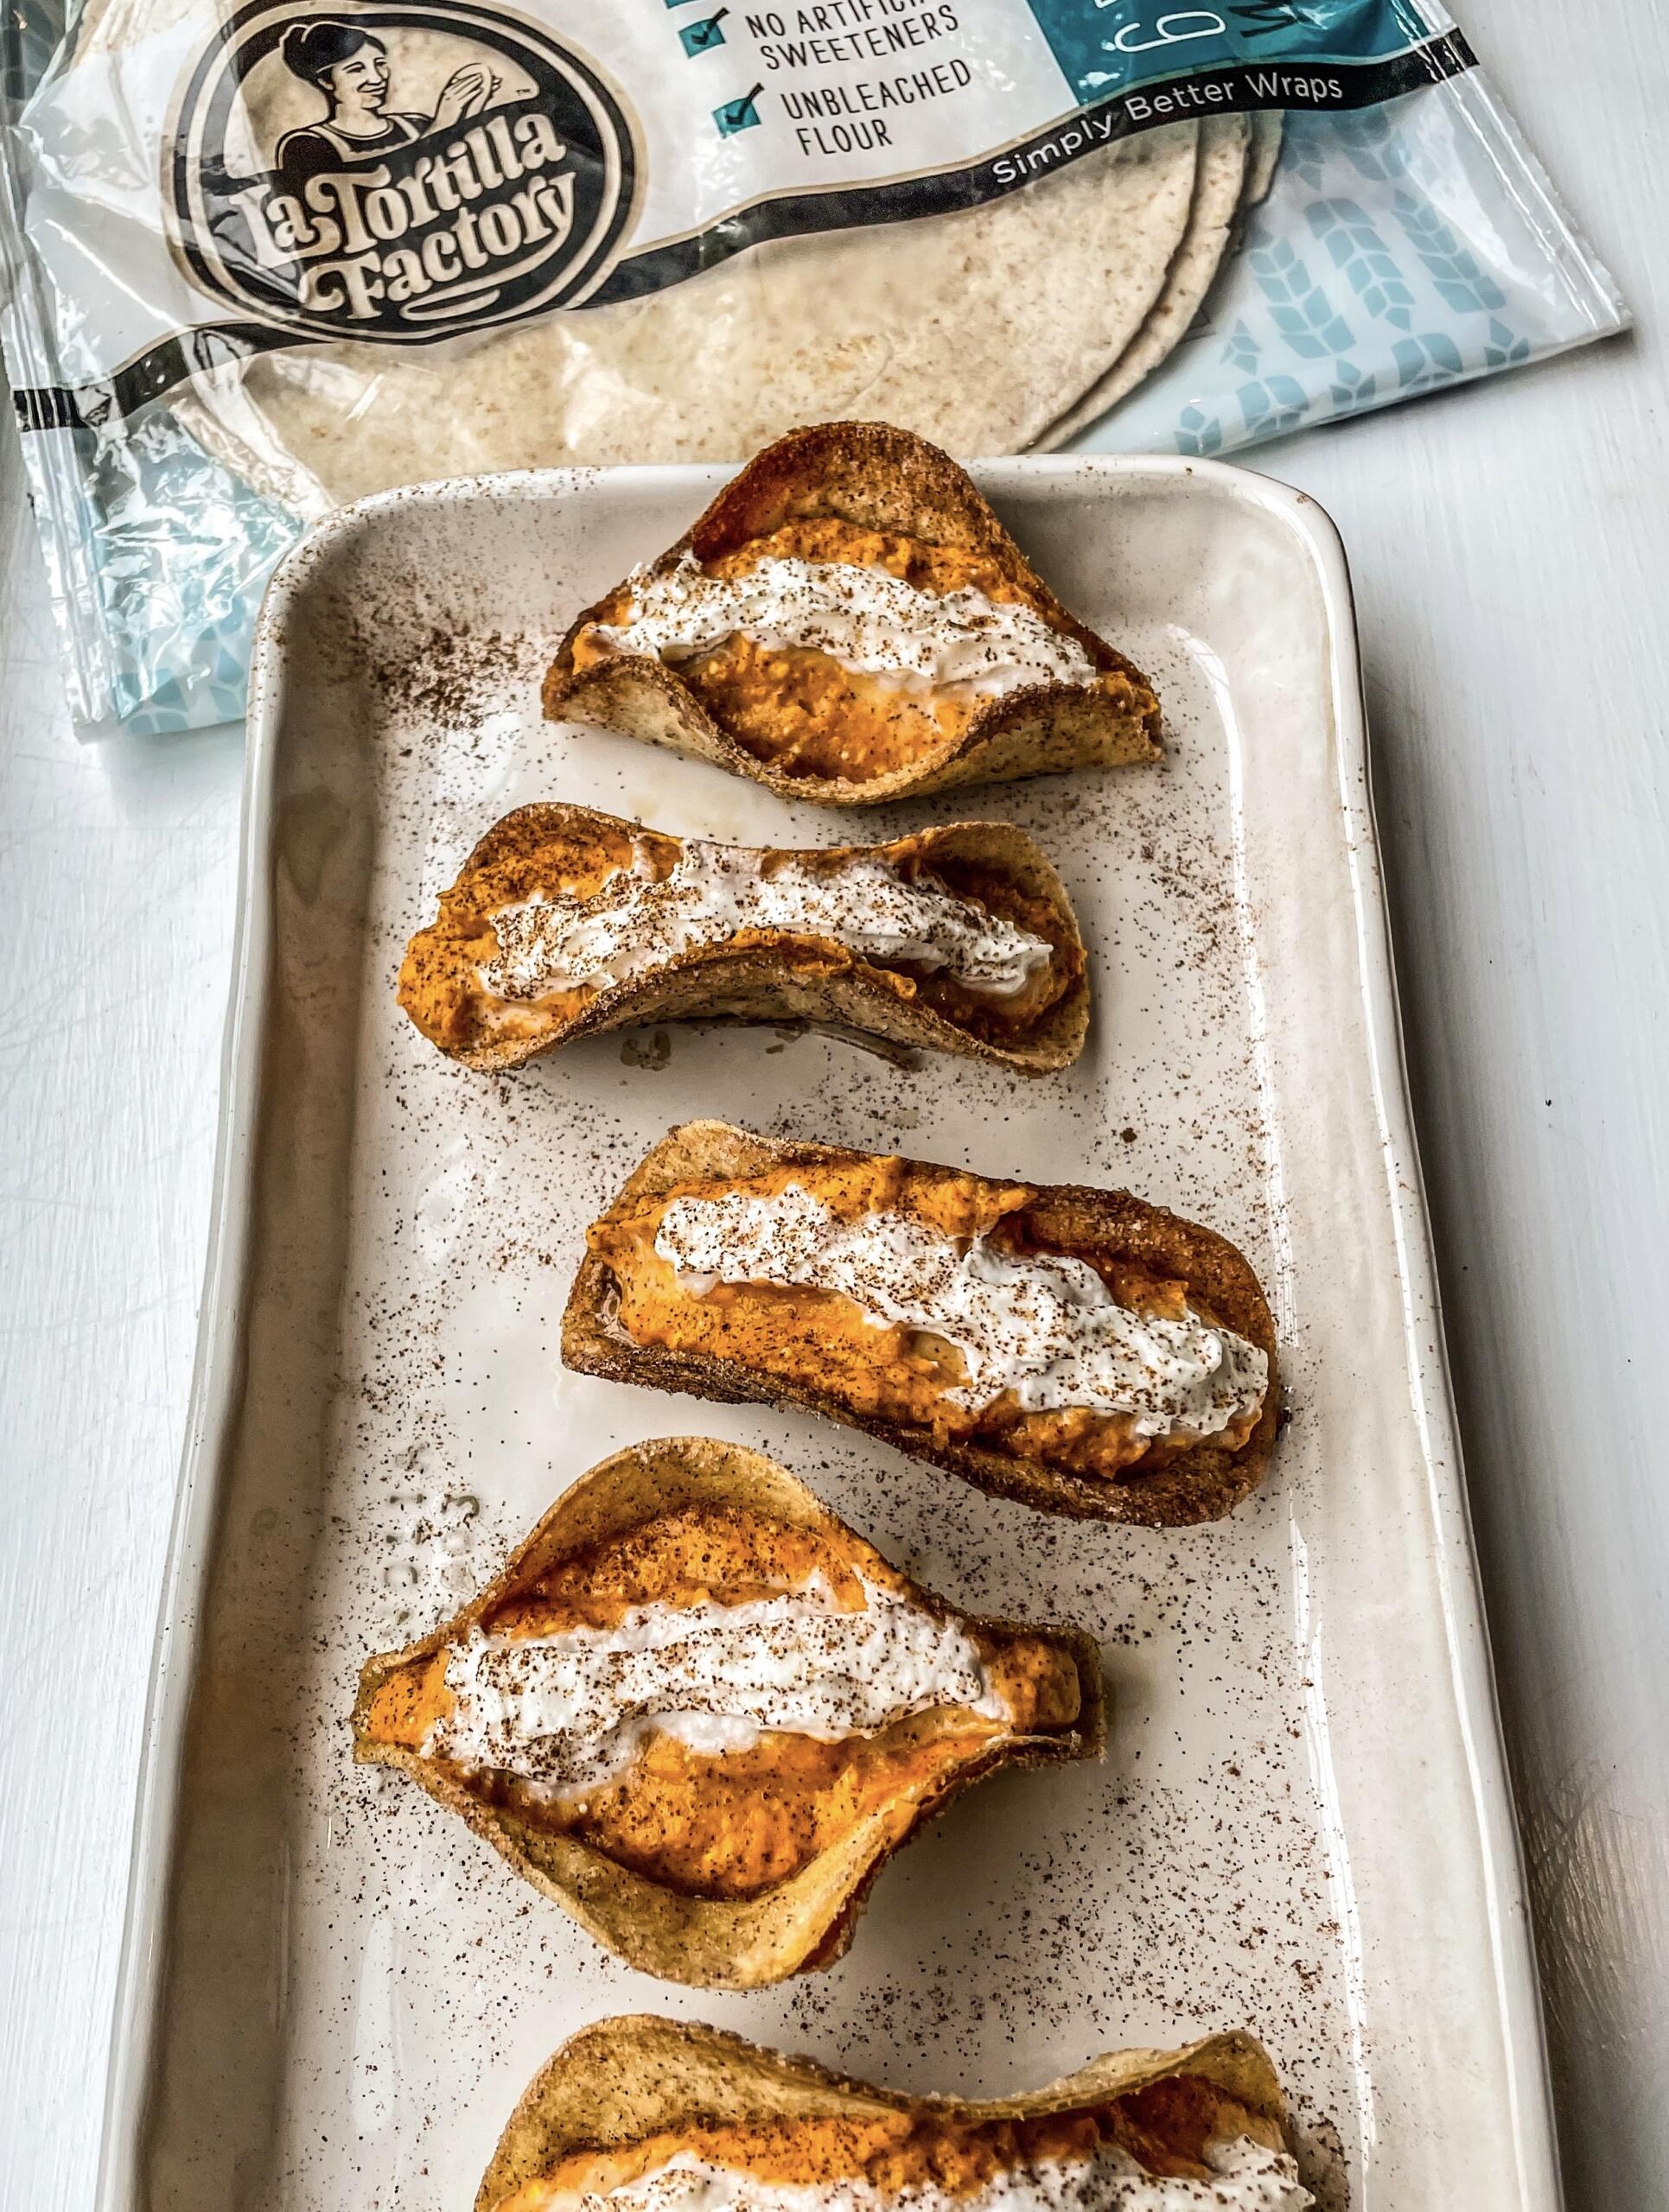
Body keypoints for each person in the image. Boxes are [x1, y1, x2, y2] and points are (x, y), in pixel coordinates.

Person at [273, 20, 495, 193]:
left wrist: (468, 113)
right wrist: (443, 125)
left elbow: (454, 181)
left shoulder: (415, 124)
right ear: (326, 81)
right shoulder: (307, 145)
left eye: (380, 64)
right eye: (356, 69)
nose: (376, 78)